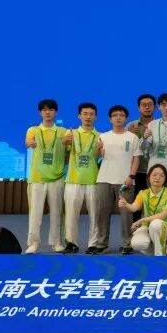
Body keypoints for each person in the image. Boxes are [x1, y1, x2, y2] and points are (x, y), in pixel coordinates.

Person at [94, 104, 143, 255]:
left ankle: (127, 244)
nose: (118, 118)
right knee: (102, 213)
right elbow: (97, 157)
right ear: (110, 119)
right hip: (104, 179)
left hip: (125, 181)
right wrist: (98, 150)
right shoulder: (103, 136)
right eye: (115, 115)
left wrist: (131, 176)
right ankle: (102, 244)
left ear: (126, 118)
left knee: (126, 215)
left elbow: (136, 158)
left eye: (121, 115)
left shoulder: (132, 137)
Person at [25, 99, 68, 254]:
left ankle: (56, 243)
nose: (47, 112)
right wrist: (29, 143)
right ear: (40, 112)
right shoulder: (33, 130)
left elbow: (69, 152)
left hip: (57, 178)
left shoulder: (63, 131)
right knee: (35, 214)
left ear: (55, 112)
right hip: (37, 178)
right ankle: (33, 244)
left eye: (50, 109)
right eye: (44, 110)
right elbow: (28, 141)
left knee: (57, 213)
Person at [62, 102, 99, 254]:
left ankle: (93, 244)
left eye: (91, 114)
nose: (88, 117)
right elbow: (63, 156)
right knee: (71, 215)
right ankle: (71, 243)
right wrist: (64, 143)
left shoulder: (100, 136)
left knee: (95, 215)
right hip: (73, 180)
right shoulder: (70, 134)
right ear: (79, 116)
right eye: (85, 114)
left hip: (93, 181)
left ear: (95, 117)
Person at [118, 164, 167, 255]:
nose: (157, 178)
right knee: (137, 244)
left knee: (156, 223)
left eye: (161, 176)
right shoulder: (143, 193)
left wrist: (141, 220)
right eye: (154, 175)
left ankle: (160, 254)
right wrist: (126, 204)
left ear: (165, 179)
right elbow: (134, 208)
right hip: (147, 228)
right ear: (148, 177)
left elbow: (163, 215)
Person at [127, 94, 156, 192]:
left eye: (150, 104)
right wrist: (130, 136)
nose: (147, 107)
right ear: (139, 107)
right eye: (144, 105)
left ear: (155, 107)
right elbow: (124, 148)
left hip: (155, 170)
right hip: (135, 171)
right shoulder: (131, 126)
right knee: (136, 200)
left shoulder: (159, 125)